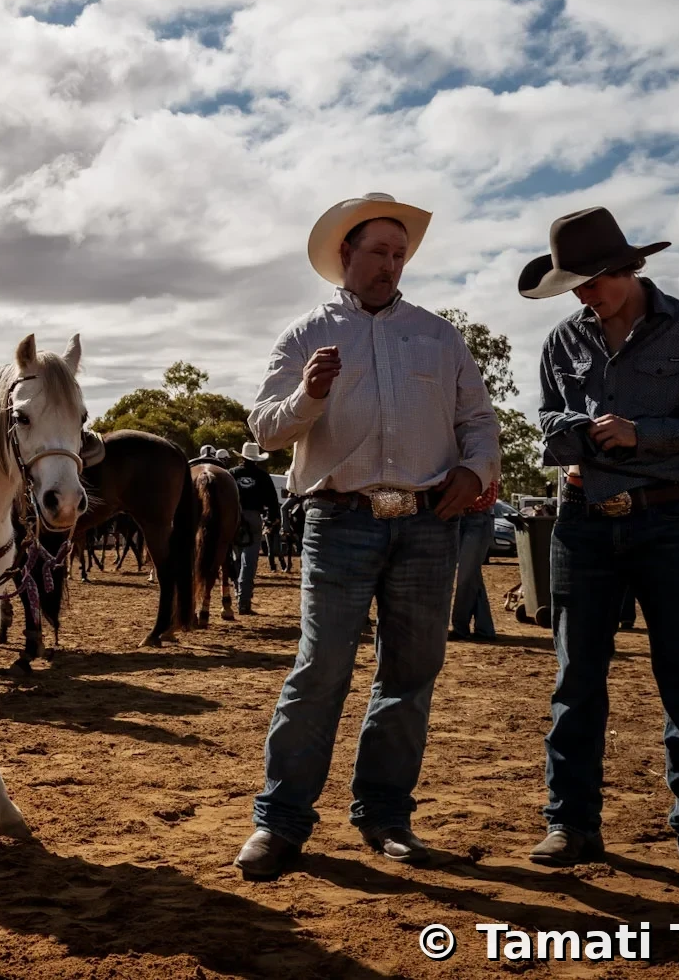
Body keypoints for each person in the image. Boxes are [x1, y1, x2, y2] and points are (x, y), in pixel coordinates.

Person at [235, 193, 499, 879]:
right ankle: (281, 821)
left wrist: (474, 470)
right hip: (338, 517)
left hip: (427, 521)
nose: (391, 264)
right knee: (321, 669)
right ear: (344, 256)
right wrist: (308, 397)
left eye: (399, 253)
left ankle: (386, 815)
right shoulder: (302, 338)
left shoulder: (439, 336)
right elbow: (264, 428)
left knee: (410, 674)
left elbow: (478, 420)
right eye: (379, 251)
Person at [522, 206, 679, 890]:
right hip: (581, 519)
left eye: (591, 281)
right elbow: (544, 421)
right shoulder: (562, 341)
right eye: (573, 285)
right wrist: (576, 430)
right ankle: (571, 821)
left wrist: (641, 432)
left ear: (626, 269)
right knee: (575, 680)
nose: (581, 295)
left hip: (667, 519)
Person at [230, 443, 281, 616]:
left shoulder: (232, 474)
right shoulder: (263, 476)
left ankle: (237, 591)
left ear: (242, 457)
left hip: (233, 517)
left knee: (235, 557)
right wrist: (273, 518)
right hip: (253, 517)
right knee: (249, 560)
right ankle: (244, 601)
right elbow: (273, 501)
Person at [451, 475, 501, 640]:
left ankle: (460, 627)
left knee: (466, 577)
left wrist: (461, 502)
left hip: (477, 521)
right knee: (472, 577)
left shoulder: (485, 459)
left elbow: (489, 499)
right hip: (460, 520)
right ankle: (485, 629)